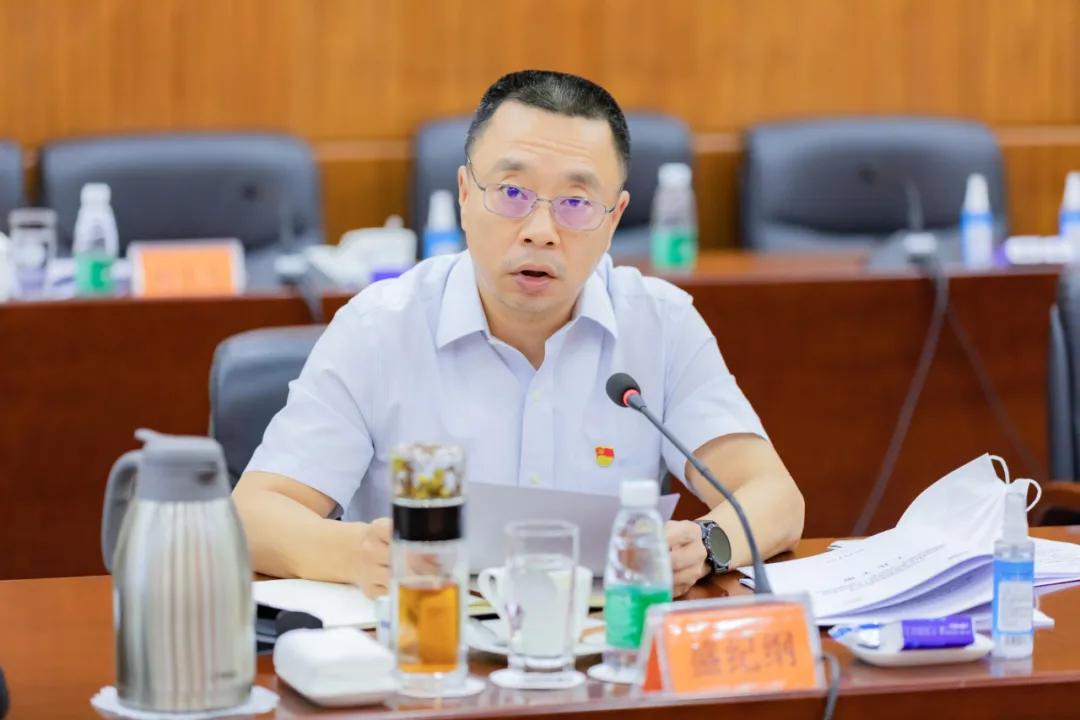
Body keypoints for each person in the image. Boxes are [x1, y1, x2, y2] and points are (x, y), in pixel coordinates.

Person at [233, 69, 804, 598]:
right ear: (464, 194)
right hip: (425, 641)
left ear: (614, 219)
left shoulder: (660, 324)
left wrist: (705, 544)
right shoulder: (379, 328)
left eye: (576, 203)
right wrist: (355, 553)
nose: (540, 231)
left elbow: (775, 497)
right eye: (511, 193)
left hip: (605, 648)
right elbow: (253, 514)